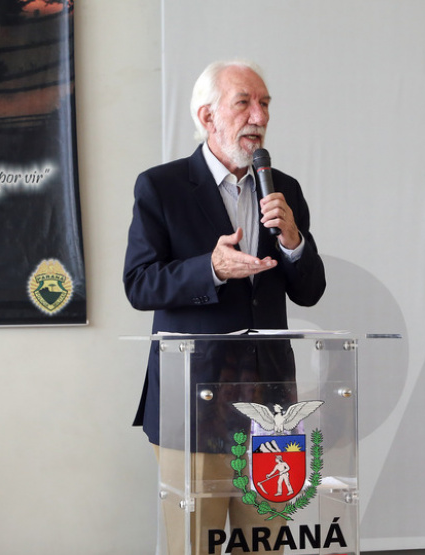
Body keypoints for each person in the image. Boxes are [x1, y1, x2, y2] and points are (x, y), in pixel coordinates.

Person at [123, 59, 326, 554]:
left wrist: (295, 240)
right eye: (244, 103)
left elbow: (309, 290)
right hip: (194, 406)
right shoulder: (161, 187)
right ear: (208, 116)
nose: (259, 116)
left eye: (265, 104)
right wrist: (210, 268)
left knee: (265, 545)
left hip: (271, 410)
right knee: (197, 546)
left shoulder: (284, 188)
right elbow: (139, 284)